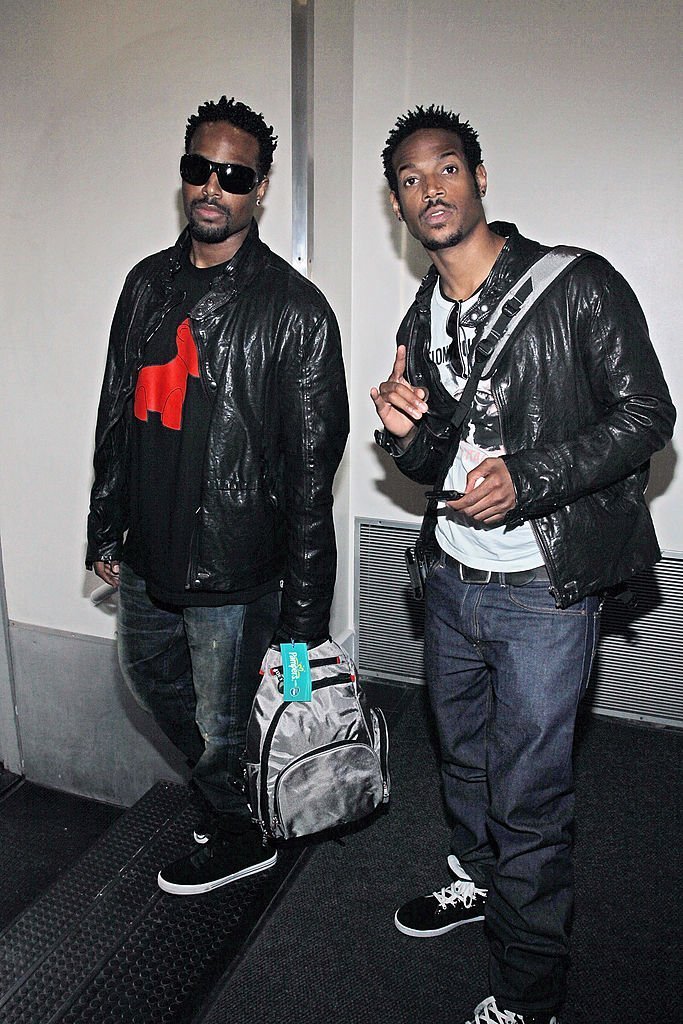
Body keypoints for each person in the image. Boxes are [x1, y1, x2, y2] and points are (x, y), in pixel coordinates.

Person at [371, 105, 674, 1024]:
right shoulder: (420, 315)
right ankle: (477, 880)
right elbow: (434, 465)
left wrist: (530, 480)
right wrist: (405, 436)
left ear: (479, 177)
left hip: (545, 590)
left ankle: (532, 991)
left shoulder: (575, 284)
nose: (431, 190)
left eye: (446, 169)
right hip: (451, 577)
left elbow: (647, 416)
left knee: (529, 788)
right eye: (412, 181)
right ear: (398, 205)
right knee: (461, 758)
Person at [87, 96, 348, 896]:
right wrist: (105, 527)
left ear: (259, 189)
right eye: (200, 168)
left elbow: (312, 483)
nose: (213, 186)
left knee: (224, 719)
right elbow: (114, 411)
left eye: (233, 175)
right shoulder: (143, 284)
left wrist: (301, 627)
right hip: (145, 552)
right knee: (147, 680)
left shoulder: (296, 311)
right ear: (184, 175)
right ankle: (228, 792)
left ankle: (242, 832)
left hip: (233, 569)